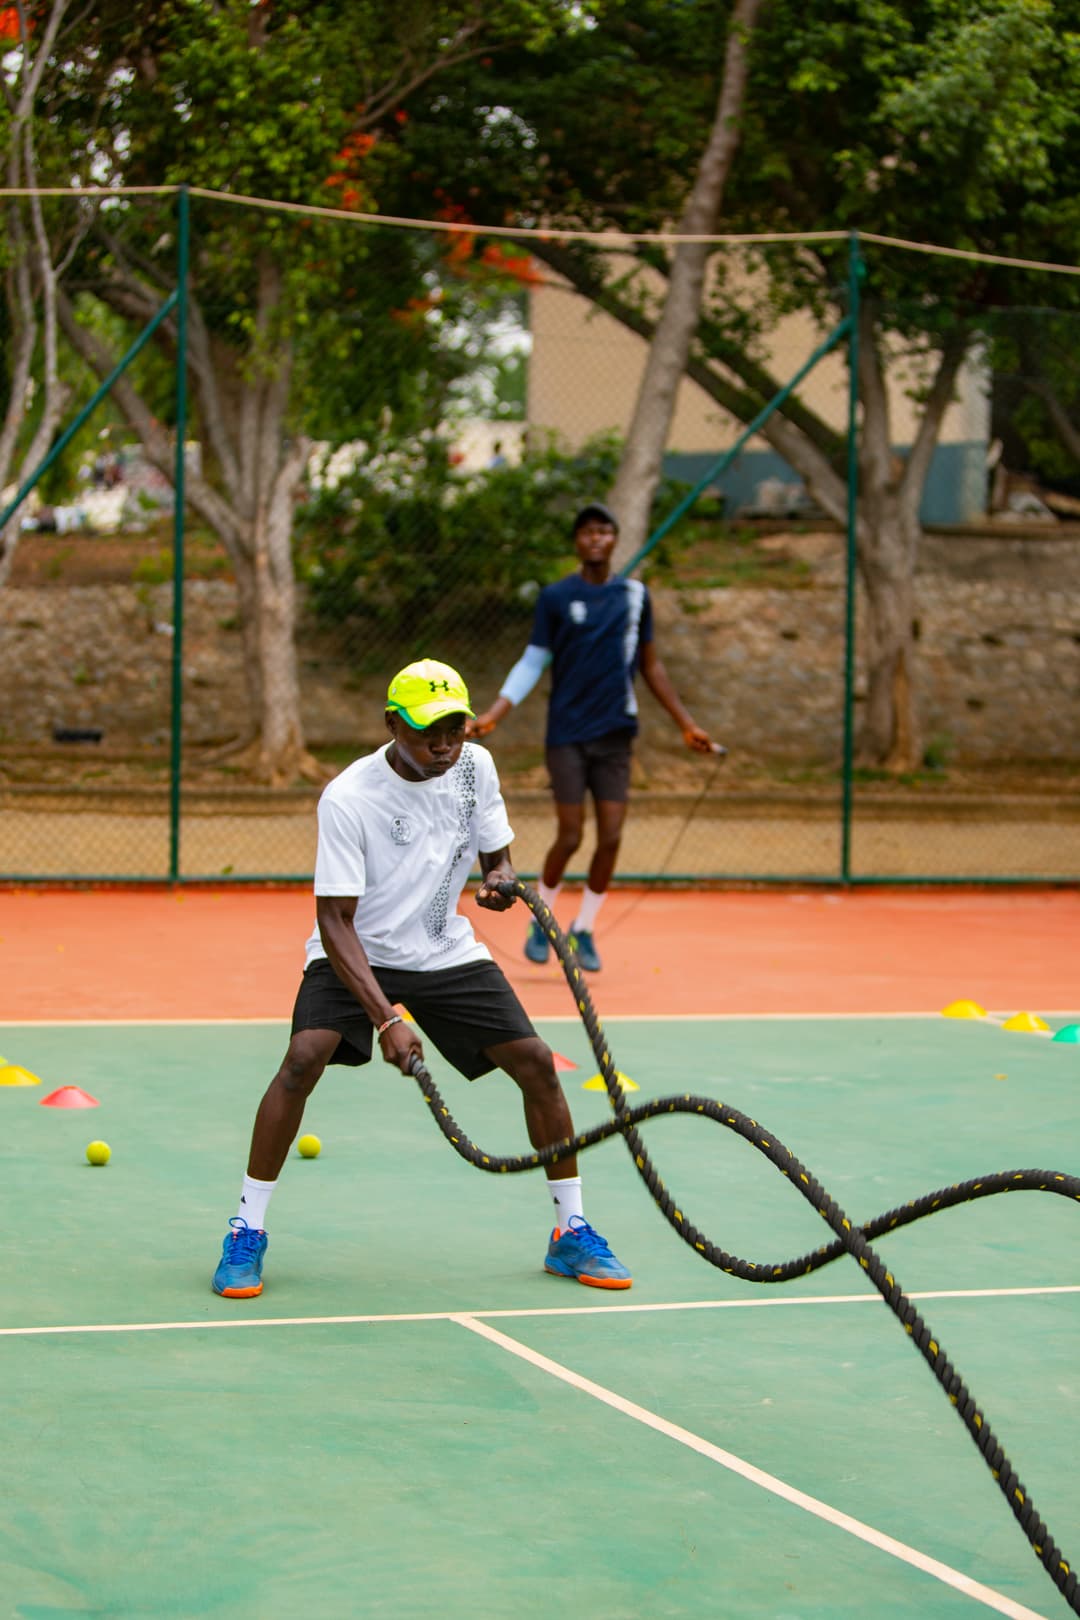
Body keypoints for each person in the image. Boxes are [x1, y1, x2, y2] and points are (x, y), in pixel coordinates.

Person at [211, 658, 631, 1300]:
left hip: (442, 947)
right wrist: (387, 1018)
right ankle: (247, 1229)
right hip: (357, 948)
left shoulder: (474, 765)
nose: (443, 743)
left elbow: (497, 851)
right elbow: (335, 921)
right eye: (427, 729)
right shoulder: (350, 798)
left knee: (538, 1065)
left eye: (455, 728)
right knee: (303, 1057)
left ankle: (569, 1231)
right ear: (392, 725)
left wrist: (498, 878)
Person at [468, 503, 716, 973]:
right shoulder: (557, 598)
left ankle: (583, 928)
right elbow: (532, 660)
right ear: (577, 541)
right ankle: (542, 923)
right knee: (570, 833)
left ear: (615, 539)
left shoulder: (636, 597)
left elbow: (651, 665)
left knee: (612, 836)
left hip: (616, 734)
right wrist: (496, 712)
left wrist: (687, 723)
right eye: (587, 531)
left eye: (604, 530)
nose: (596, 538)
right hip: (566, 734)